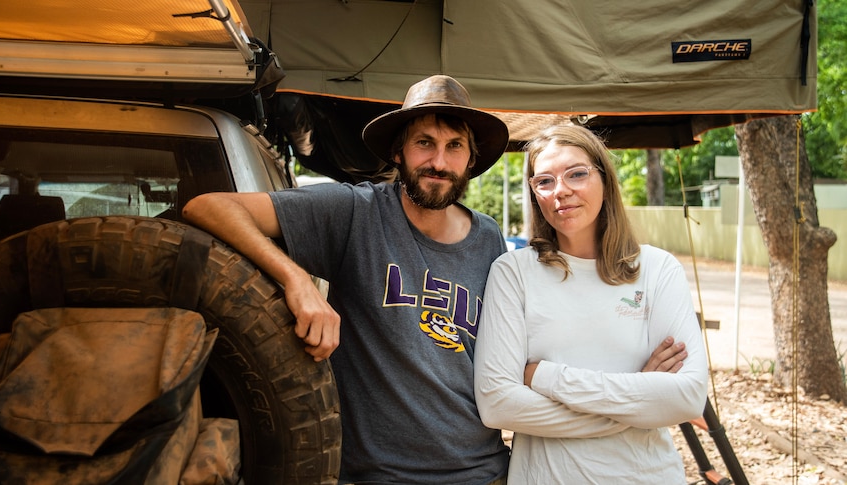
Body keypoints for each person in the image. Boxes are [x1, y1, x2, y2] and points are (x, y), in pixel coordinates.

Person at [183, 75, 512, 484]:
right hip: (375, 474)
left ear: (471, 158)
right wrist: (294, 278)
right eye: (424, 142)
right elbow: (208, 207)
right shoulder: (355, 212)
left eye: (454, 146)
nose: (439, 162)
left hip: (483, 472)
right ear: (399, 152)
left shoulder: (489, 238)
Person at [473, 124, 709, 484]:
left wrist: (546, 376)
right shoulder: (513, 273)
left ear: (604, 179)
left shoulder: (657, 269)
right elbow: (497, 404)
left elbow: (688, 397)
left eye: (577, 174)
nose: (561, 191)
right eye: (544, 181)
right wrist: (638, 395)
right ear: (534, 192)